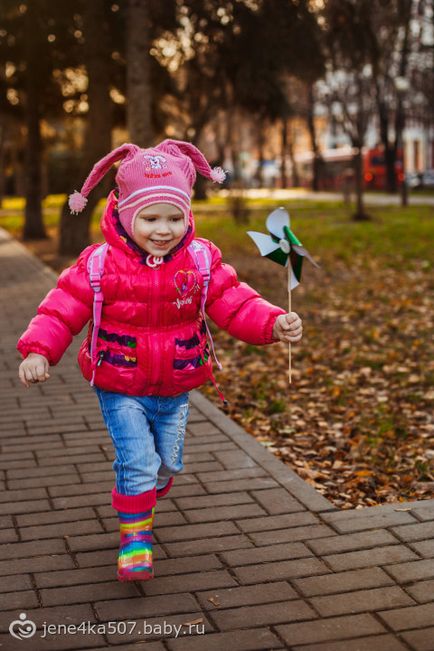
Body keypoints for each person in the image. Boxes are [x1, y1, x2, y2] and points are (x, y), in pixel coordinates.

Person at [16, 139, 303, 582]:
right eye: (150, 218)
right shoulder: (98, 264)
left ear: (188, 215)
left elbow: (233, 302)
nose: (163, 229)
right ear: (126, 214)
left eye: (175, 217)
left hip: (176, 382)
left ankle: (154, 483)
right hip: (118, 380)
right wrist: (38, 350)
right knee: (137, 461)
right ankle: (135, 541)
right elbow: (60, 308)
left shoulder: (200, 261)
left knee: (167, 462)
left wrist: (272, 322)